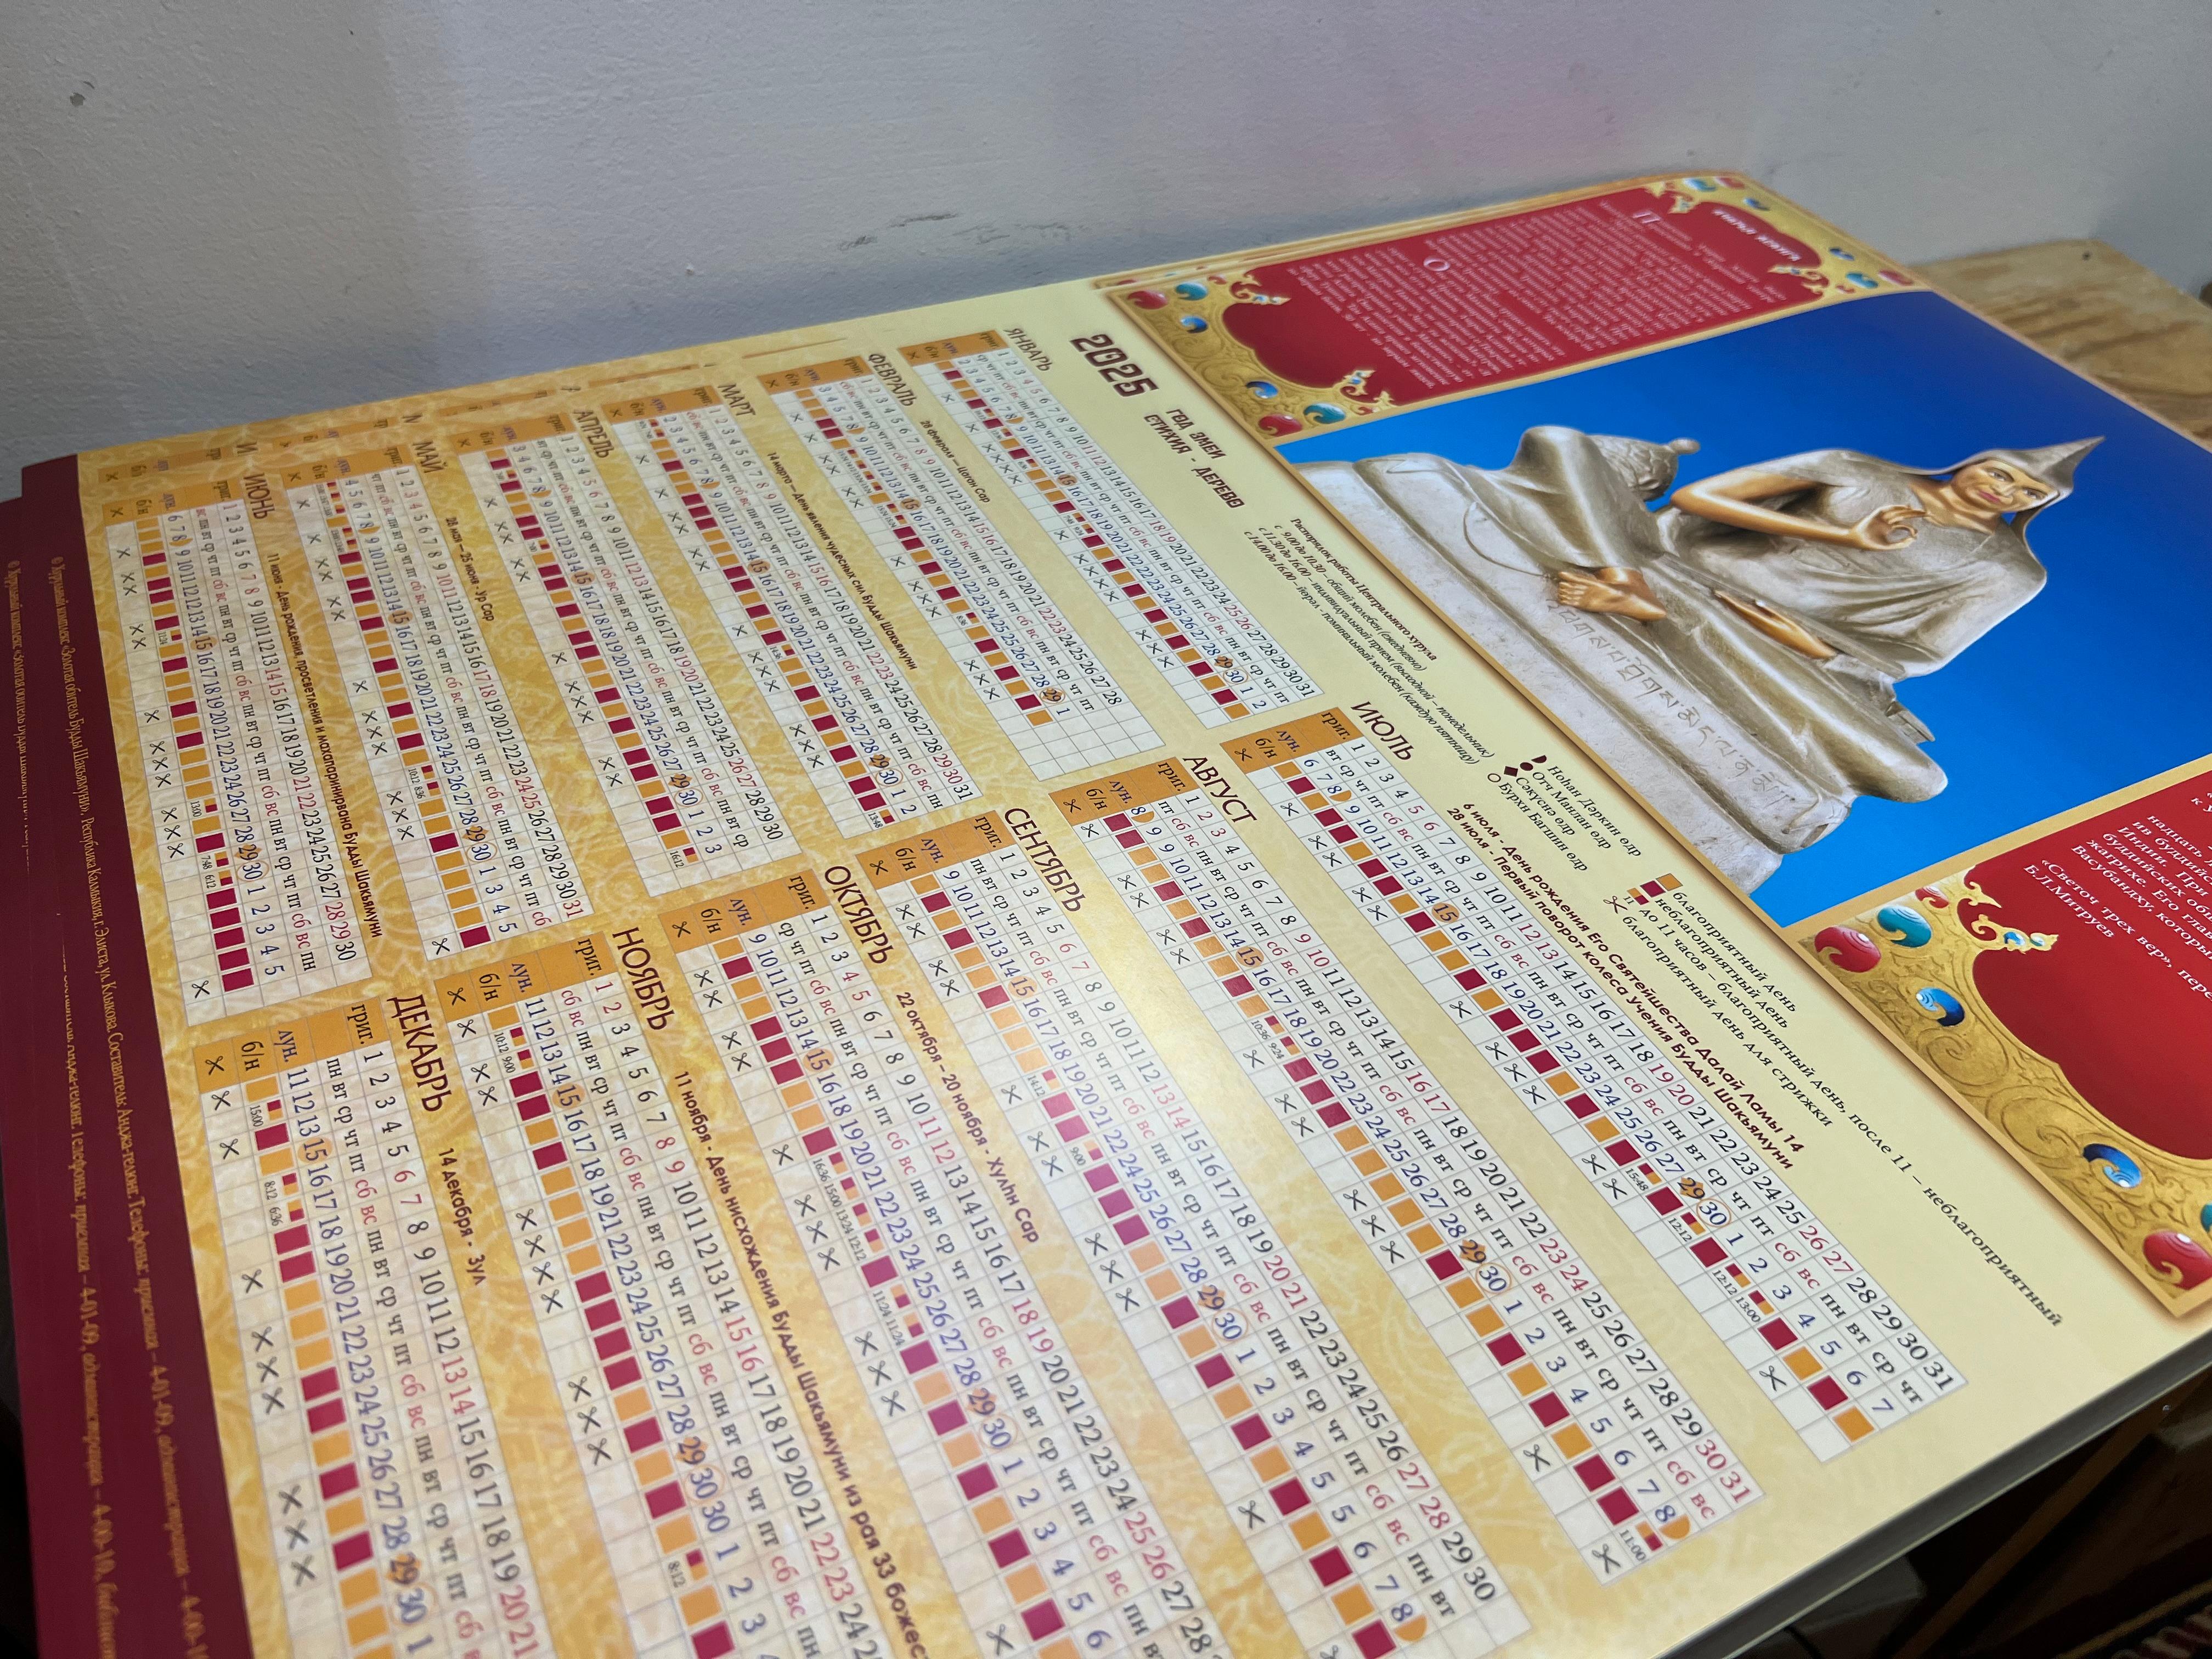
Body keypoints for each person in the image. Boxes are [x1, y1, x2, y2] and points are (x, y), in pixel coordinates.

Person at [1299, 429, 2096, 884]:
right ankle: (1639, 592)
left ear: (2038, 506)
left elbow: (1920, 652)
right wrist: (1843, 532)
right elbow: (1696, 500)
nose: (2005, 491)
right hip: (1665, 561)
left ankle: (1657, 612)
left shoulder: (2011, 571)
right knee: (1562, 445)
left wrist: (1813, 643)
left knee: (1916, 777)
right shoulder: (1853, 468)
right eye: (2003, 472)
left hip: (1777, 646)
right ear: (1976, 460)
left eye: (2027, 493)